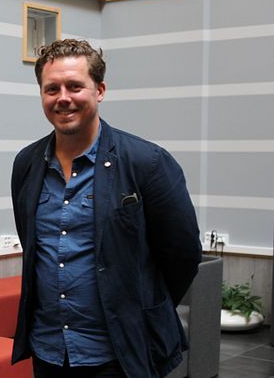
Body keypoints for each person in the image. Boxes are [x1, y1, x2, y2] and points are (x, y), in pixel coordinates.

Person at [10, 39, 202, 378]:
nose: (63, 97)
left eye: (74, 86)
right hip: (50, 351)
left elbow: (182, 254)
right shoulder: (27, 164)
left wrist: (138, 307)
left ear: (99, 90)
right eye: (51, 88)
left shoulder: (147, 162)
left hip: (119, 354)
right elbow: (33, 246)